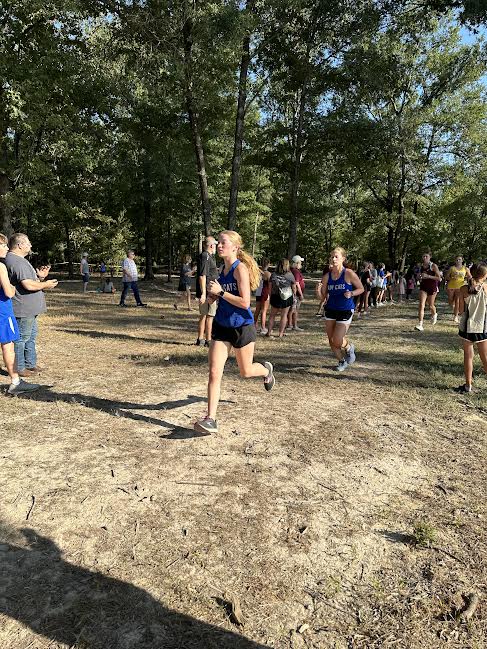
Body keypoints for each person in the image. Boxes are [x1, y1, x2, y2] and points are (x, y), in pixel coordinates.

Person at [193, 231, 275, 434]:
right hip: (222, 325)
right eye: (218, 242)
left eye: (223, 242)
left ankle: (266, 371)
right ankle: (211, 419)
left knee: (245, 371)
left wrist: (221, 292)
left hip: (241, 326)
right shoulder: (222, 269)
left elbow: (245, 302)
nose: (219, 245)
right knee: (214, 372)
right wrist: (214, 298)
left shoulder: (240, 270)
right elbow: (224, 296)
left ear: (235, 248)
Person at [5, 233, 58, 376]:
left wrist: (40, 277)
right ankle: (20, 368)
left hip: (29, 308)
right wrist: (45, 284)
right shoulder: (16, 261)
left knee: (30, 337)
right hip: (23, 308)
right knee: (21, 339)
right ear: (20, 245)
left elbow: (27, 280)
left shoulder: (19, 260)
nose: (30, 245)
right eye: (28, 243)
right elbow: (27, 284)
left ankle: (30, 364)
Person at [0, 234, 40, 395]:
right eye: (3, 245)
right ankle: (16, 382)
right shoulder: (0, 267)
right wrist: (13, 287)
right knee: (9, 346)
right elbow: (9, 292)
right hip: (3, 311)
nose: (6, 248)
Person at [320, 247, 364, 372]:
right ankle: (341, 361)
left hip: (345, 309)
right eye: (332, 257)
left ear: (343, 259)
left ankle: (349, 347)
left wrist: (351, 293)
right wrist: (319, 291)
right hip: (331, 309)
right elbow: (323, 297)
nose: (333, 259)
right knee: (331, 340)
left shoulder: (348, 273)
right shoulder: (327, 276)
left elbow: (361, 288)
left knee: (337, 340)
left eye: (336, 257)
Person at [454, 262, 487, 393]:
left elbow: (461, 310)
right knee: (485, 357)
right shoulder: (485, 287)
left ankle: (468, 386)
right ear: (484, 275)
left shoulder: (463, 289)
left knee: (468, 356)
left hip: (467, 327)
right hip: (482, 326)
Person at [196, 236, 218, 347]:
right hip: (208, 291)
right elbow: (202, 276)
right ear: (211, 245)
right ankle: (207, 340)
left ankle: (202, 339)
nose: (216, 247)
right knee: (208, 316)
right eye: (215, 244)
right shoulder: (206, 256)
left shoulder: (208, 256)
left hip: (210, 291)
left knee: (207, 315)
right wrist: (204, 294)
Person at [266, 259, 296, 338]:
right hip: (287, 296)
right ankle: (281, 333)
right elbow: (294, 287)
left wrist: (270, 296)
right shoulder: (290, 275)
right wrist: (294, 295)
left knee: (272, 315)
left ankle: (269, 332)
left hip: (275, 296)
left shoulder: (273, 275)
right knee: (284, 315)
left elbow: (270, 287)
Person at [415, 251, 441, 331]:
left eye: (426, 256)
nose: (425, 258)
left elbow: (439, 278)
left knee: (431, 305)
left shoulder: (433, 266)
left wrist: (428, 276)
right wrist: (419, 277)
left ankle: (434, 314)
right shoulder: (420, 266)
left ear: (430, 257)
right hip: (423, 287)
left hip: (432, 287)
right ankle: (420, 324)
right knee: (421, 304)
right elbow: (418, 277)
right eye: (423, 256)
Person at [445, 256, 470, 324]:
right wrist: (452, 278)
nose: (458, 261)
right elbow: (447, 276)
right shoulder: (452, 268)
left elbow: (470, 276)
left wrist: (467, 278)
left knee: (457, 301)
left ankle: (455, 316)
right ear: (455, 261)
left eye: (459, 259)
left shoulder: (465, 268)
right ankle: (453, 308)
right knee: (450, 300)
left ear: (462, 260)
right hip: (451, 286)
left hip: (460, 287)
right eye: (457, 260)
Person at [287, 255, 305, 331]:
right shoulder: (296, 271)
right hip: (296, 294)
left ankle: (291, 325)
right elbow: (297, 283)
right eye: (300, 262)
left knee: (292, 309)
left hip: (293, 293)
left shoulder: (292, 270)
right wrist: (301, 294)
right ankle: (292, 325)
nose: (301, 264)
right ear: (297, 263)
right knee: (294, 310)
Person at [254, 258, 271, 335]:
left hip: (258, 292)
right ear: (268, 264)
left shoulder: (258, 272)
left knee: (257, 310)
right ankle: (263, 327)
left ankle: (254, 325)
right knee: (264, 310)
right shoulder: (268, 273)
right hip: (265, 292)